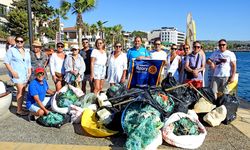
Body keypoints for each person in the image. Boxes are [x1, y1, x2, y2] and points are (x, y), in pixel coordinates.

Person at [4, 36, 31, 116]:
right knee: (20, 91)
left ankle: (20, 108)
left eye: (21, 41)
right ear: (15, 41)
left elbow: (28, 63)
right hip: (17, 75)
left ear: (23, 42)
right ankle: (19, 110)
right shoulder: (11, 50)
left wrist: (29, 73)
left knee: (22, 91)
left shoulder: (26, 51)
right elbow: (6, 62)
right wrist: (12, 72)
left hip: (25, 75)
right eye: (18, 41)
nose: (19, 42)